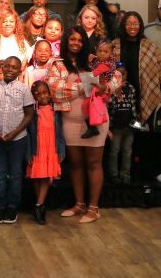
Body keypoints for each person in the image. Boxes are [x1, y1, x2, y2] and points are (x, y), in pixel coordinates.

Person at [51, 26, 116, 224]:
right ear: (66, 41)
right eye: (72, 40)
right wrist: (86, 86)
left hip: (95, 120)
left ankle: (94, 208)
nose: (76, 43)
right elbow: (55, 91)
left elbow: (115, 80)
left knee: (94, 163)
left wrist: (105, 86)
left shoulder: (92, 61)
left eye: (79, 40)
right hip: (69, 121)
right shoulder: (57, 64)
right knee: (76, 165)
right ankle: (79, 204)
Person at [114, 12, 161, 181]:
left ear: (141, 25)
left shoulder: (149, 45)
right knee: (120, 140)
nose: (132, 26)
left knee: (144, 136)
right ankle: (120, 173)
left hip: (144, 97)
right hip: (120, 100)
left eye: (136, 23)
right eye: (128, 23)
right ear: (123, 25)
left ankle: (147, 171)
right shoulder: (114, 45)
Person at [0, 56, 34, 225]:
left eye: (14, 67)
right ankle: (0, 206)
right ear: (2, 68)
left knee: (16, 174)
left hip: (17, 140)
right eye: (7, 66)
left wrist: (15, 132)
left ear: (19, 71)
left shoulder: (24, 89)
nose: (10, 69)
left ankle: (12, 207)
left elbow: (29, 113)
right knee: (0, 175)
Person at [26, 80, 61, 225]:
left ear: (49, 93)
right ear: (33, 96)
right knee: (36, 176)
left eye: (45, 92)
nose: (42, 96)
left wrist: (61, 150)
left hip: (51, 148)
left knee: (46, 176)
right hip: (37, 148)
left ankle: (39, 206)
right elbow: (28, 134)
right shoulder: (33, 113)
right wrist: (28, 153)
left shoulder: (55, 111)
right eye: (38, 94)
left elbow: (60, 134)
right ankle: (39, 205)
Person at [107, 66, 139, 185]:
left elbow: (134, 107)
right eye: (118, 74)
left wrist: (137, 122)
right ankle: (113, 175)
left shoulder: (131, 88)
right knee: (114, 151)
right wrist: (115, 91)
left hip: (129, 126)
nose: (121, 77)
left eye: (123, 74)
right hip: (115, 126)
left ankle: (125, 174)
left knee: (127, 151)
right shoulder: (110, 87)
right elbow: (108, 105)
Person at [82, 40, 116, 139]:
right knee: (87, 105)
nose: (102, 54)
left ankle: (93, 127)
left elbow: (93, 74)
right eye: (100, 51)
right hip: (97, 86)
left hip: (101, 88)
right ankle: (92, 127)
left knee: (86, 105)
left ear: (111, 53)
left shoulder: (105, 64)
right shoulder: (98, 61)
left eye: (105, 52)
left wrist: (80, 76)